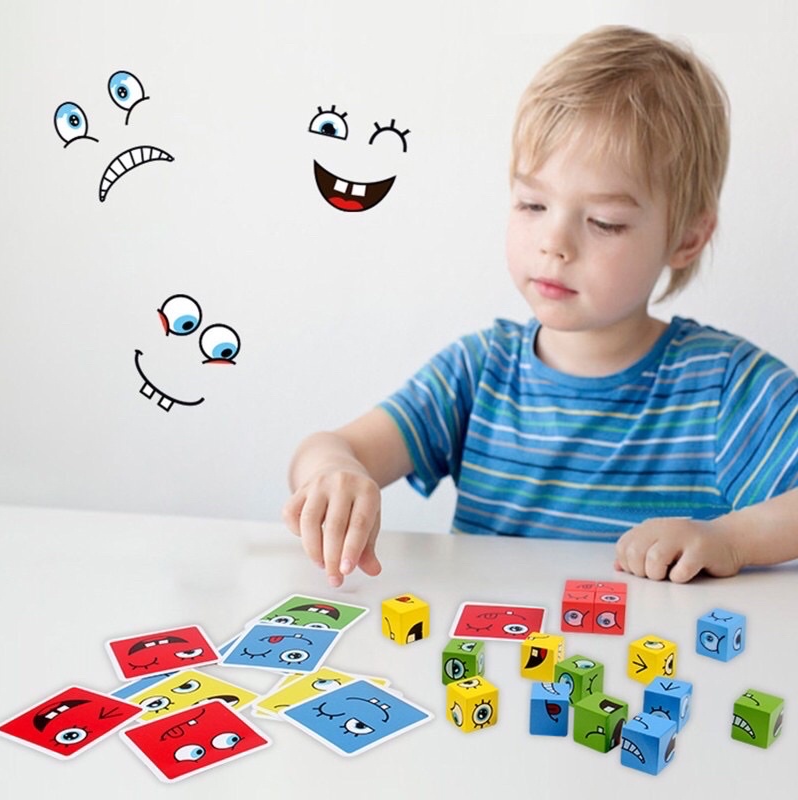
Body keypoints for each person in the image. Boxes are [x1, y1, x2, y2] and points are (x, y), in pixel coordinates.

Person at [283, 25, 798, 587]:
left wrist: (732, 539)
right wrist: (335, 471)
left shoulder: (724, 386)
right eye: (532, 204)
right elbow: (326, 448)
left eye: (604, 222)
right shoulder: (479, 371)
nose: (555, 243)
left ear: (687, 238)